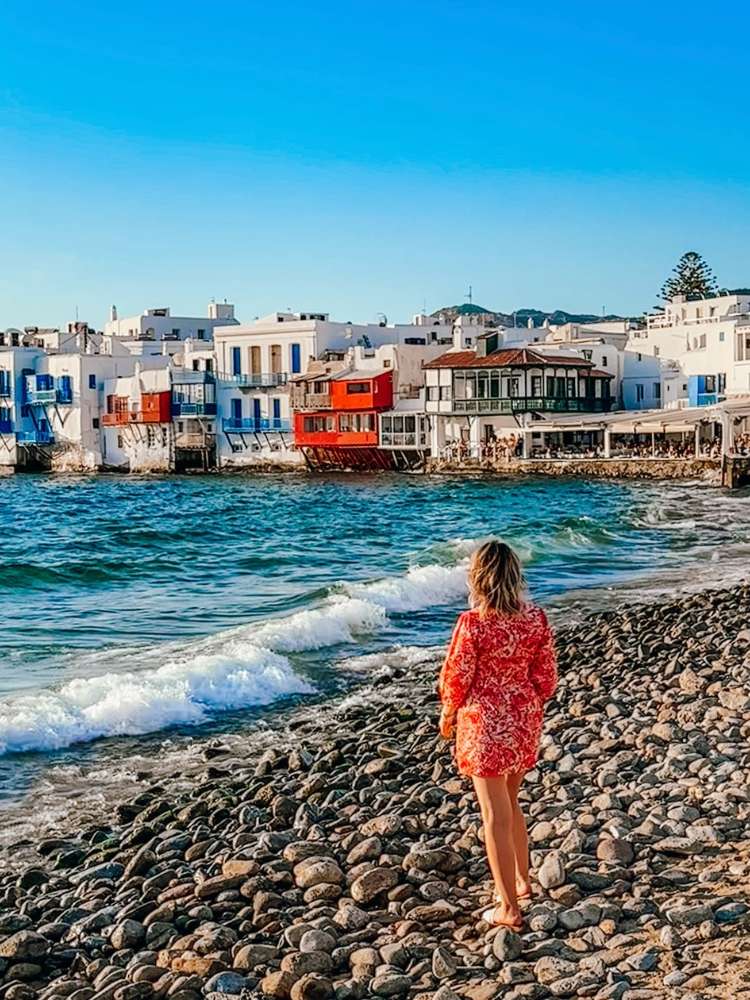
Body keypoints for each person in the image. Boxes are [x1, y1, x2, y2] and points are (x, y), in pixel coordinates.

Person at [438, 541, 558, 930]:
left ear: (478, 578)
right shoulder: (536, 619)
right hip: (523, 717)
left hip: (485, 723)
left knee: (493, 814)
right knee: (510, 801)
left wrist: (448, 714)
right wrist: (522, 699)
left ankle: (508, 907)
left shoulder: (473, 624)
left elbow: (456, 679)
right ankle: (522, 882)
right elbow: (547, 679)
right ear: (514, 575)